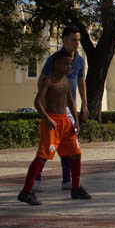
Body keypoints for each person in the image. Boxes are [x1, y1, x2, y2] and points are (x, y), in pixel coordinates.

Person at [18, 50, 91, 205]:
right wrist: (47, 118)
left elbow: (71, 102)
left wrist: (76, 121)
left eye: (70, 64)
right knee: (43, 156)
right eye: (66, 64)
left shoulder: (66, 81)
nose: (69, 67)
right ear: (56, 64)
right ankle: (26, 191)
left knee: (76, 153)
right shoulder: (48, 80)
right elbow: (38, 102)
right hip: (52, 122)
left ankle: (75, 188)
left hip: (66, 122)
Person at [33, 26, 88, 192]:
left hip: (69, 108)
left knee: (69, 146)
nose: (77, 43)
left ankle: (67, 180)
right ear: (64, 39)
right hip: (54, 108)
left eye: (79, 40)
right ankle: (34, 181)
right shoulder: (55, 59)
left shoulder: (79, 60)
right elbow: (43, 80)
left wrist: (84, 104)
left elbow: (80, 82)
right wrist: (45, 104)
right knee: (48, 146)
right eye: (74, 39)